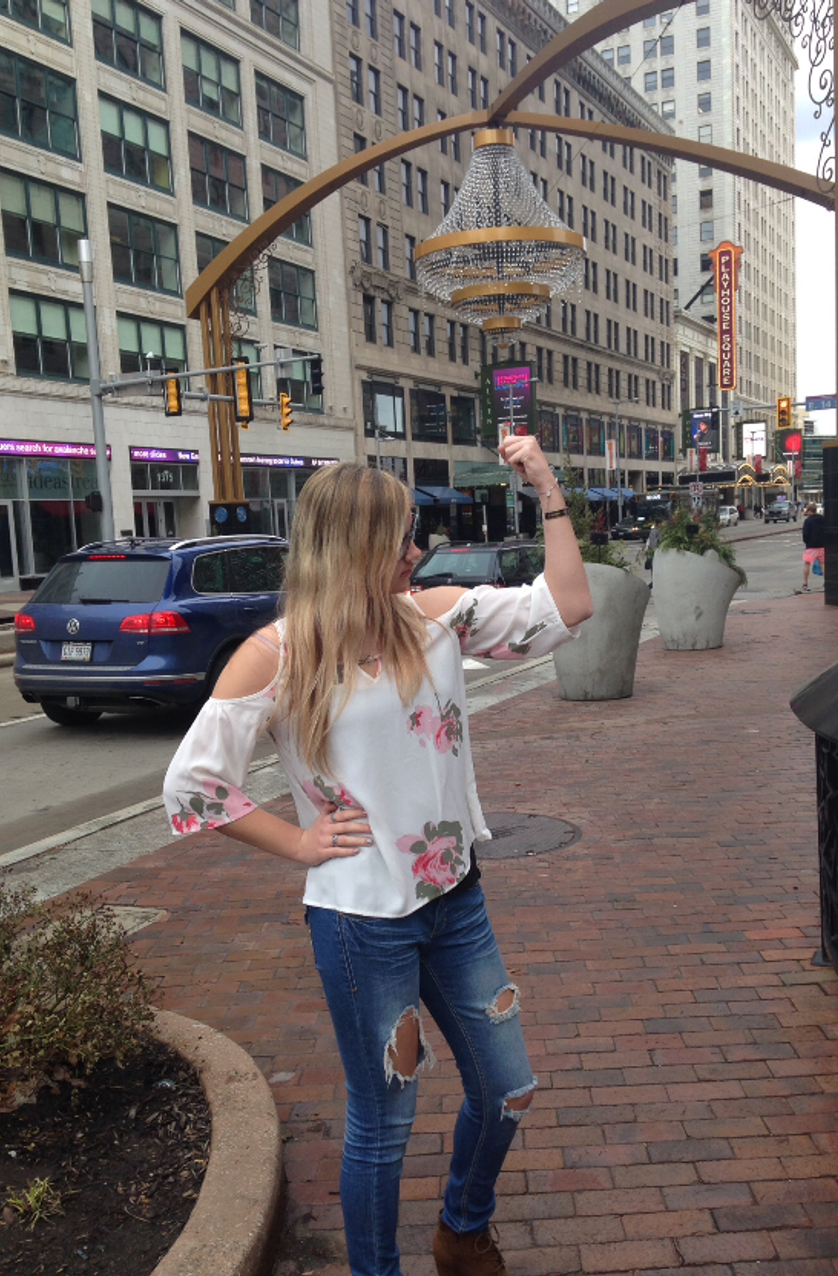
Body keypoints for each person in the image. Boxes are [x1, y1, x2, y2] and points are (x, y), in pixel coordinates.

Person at [163, 437, 592, 1276]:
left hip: (456, 901)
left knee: (508, 1087)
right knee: (384, 1126)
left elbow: (568, 606)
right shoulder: (278, 655)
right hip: (362, 923)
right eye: (400, 539)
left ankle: (462, 1228)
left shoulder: (436, 618)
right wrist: (298, 842)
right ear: (354, 549)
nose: (416, 552)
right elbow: (193, 785)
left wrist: (546, 486)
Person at [801, 501, 825, 591]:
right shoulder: (822, 519)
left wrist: (806, 541)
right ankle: (826, 582)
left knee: (807, 564)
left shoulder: (808, 521)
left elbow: (805, 534)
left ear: (809, 511)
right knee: (823, 564)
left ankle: (805, 583)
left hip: (811, 546)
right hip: (821, 545)